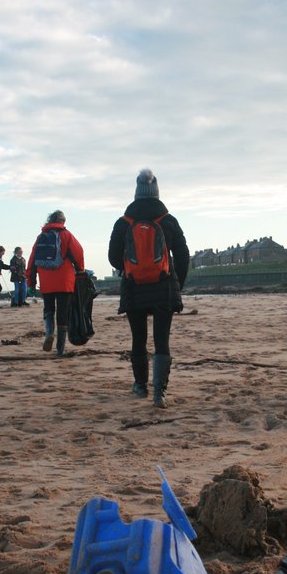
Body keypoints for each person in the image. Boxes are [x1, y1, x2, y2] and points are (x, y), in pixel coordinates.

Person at [107, 168, 189, 409]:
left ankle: (140, 385)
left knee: (138, 338)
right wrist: (177, 285)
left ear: (136, 193)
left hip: (133, 287)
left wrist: (131, 262)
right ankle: (159, 393)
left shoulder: (123, 222)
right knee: (162, 340)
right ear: (156, 192)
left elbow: (113, 259)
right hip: (164, 286)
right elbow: (183, 256)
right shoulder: (168, 221)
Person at [25, 212, 85, 356]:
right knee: (63, 313)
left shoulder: (41, 237)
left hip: (46, 280)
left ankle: (49, 333)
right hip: (64, 279)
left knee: (49, 309)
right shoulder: (66, 235)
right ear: (63, 221)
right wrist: (80, 270)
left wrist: (31, 282)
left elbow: (32, 261)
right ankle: (60, 348)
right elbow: (78, 253)